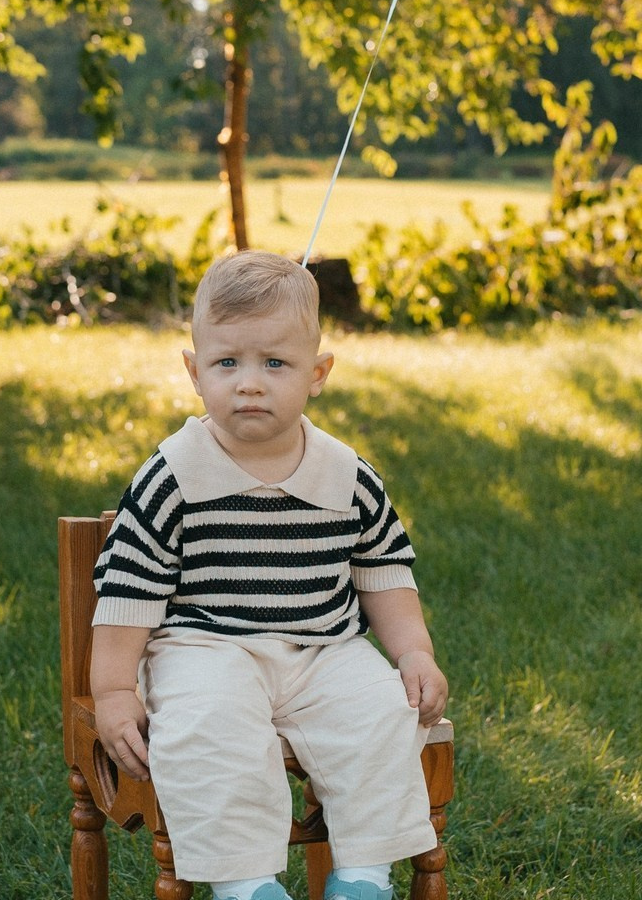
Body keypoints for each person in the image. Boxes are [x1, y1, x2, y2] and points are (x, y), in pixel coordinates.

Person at [90, 249, 448, 900]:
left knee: (380, 710)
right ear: (196, 373)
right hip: (206, 648)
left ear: (317, 373)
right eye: (228, 362)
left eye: (274, 363)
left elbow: (384, 572)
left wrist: (414, 651)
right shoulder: (173, 477)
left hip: (323, 649)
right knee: (208, 726)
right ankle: (246, 884)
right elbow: (128, 595)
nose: (249, 383)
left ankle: (364, 877)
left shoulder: (348, 477)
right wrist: (114, 688)